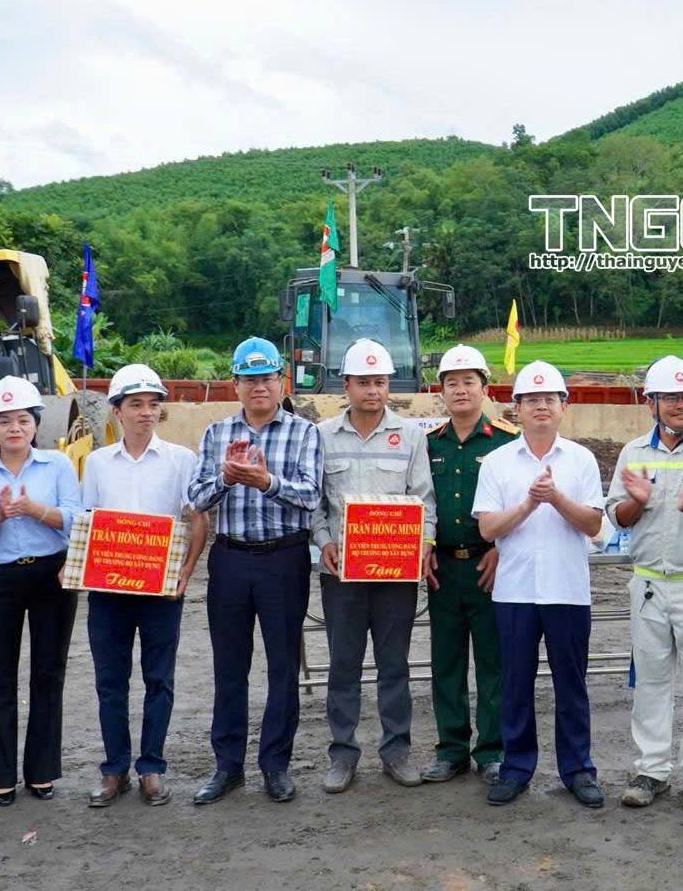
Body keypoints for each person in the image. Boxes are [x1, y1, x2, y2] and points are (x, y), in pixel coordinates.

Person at [189, 337, 322, 806]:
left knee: (283, 666)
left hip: (284, 559)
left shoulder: (304, 433)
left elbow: (311, 497)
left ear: (281, 381)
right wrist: (227, 478)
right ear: (236, 384)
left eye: (267, 378)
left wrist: (267, 482)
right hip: (230, 558)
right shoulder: (216, 434)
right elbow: (196, 498)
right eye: (249, 379)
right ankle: (228, 766)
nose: (259, 387)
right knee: (229, 666)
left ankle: (275, 765)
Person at [472, 360, 606, 808]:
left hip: (567, 590)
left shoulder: (582, 460)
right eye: (532, 400)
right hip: (515, 591)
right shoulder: (497, 462)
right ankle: (516, 767)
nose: (541, 406)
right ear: (517, 408)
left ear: (564, 406)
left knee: (572, 685)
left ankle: (578, 769)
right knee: (515, 684)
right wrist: (529, 504)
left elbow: (592, 524)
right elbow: (488, 528)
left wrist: (556, 498)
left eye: (550, 398)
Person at [311, 339, 437, 792]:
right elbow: (314, 503)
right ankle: (342, 755)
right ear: (345, 385)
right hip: (341, 574)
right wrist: (324, 541)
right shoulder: (322, 436)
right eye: (363, 383)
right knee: (343, 666)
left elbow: (424, 499)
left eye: (380, 382)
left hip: (395, 575)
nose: (373, 391)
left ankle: (396, 751)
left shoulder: (411, 436)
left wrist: (424, 543)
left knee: (394, 665)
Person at [0, 375, 81, 806]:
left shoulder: (57, 465)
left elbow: (77, 518)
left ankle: (41, 772)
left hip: (51, 577)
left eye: (23, 419)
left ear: (35, 424)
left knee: (48, 673)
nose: (14, 428)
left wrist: (35, 510)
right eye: (4, 421)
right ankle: (0, 775)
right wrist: (0, 516)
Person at [80, 364, 208, 808]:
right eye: (136, 404)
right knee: (110, 682)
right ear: (116, 411)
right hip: (109, 592)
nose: (146, 413)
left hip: (161, 593)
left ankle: (151, 767)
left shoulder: (181, 460)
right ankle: (114, 769)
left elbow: (197, 518)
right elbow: (88, 525)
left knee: (159, 680)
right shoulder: (97, 464)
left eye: (153, 404)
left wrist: (186, 571)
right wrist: (76, 569)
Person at [608, 355, 683, 811]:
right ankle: (652, 769)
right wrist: (637, 502)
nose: (682, 405)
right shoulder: (633, 453)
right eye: (672, 397)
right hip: (648, 586)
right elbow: (618, 517)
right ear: (651, 404)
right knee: (650, 679)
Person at [422, 345, 518, 786]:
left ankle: (492, 750)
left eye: (469, 382)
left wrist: (502, 548)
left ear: (484, 388)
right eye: (451, 383)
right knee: (446, 662)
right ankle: (451, 749)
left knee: (493, 662)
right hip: (443, 568)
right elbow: (419, 501)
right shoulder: (429, 444)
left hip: (490, 566)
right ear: (440, 391)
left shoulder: (506, 442)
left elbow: (520, 505)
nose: (460, 390)